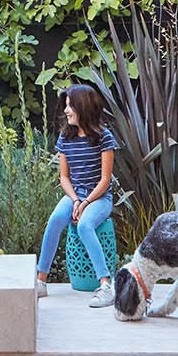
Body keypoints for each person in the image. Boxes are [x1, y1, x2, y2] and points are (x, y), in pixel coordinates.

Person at [36, 84, 119, 307]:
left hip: (99, 198)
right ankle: (40, 281)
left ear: (83, 107)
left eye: (70, 106)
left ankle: (105, 286)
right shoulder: (66, 137)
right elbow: (64, 177)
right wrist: (75, 200)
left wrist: (86, 203)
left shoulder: (104, 138)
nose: (66, 111)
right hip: (76, 195)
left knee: (84, 226)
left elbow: (105, 180)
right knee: (54, 220)